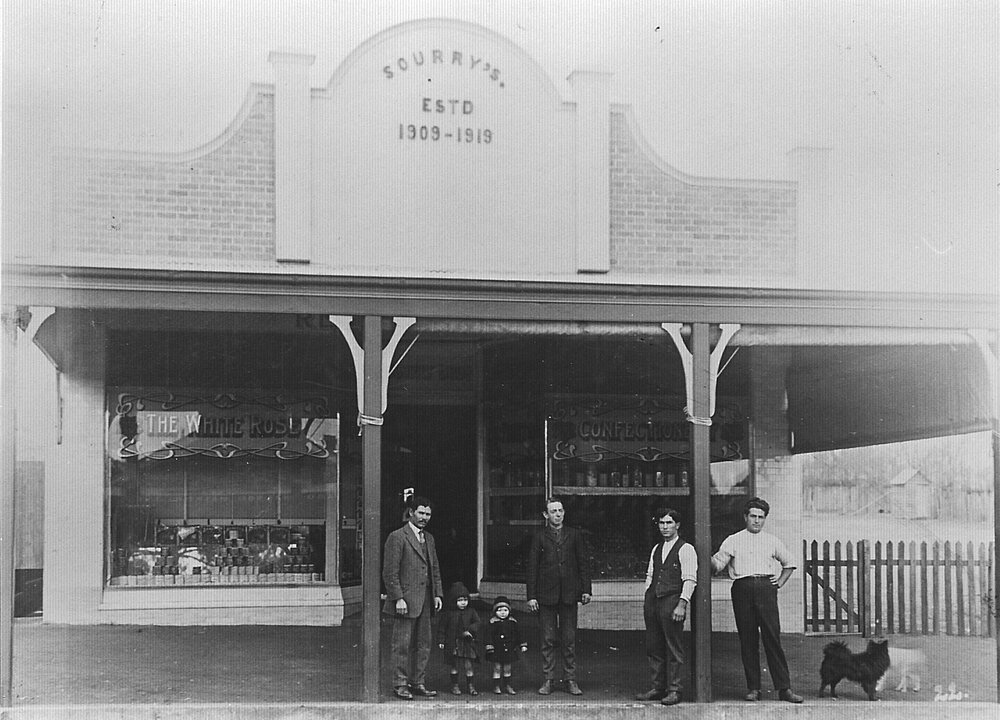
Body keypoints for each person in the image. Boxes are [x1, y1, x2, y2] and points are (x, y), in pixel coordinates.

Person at [711, 497, 804, 704]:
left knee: (772, 638)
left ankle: (784, 689)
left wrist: (779, 582)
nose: (756, 521)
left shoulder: (772, 540)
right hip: (742, 589)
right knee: (748, 640)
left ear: (765, 519)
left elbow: (790, 563)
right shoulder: (733, 539)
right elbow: (717, 564)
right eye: (753, 516)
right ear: (745, 517)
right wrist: (705, 555)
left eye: (761, 517)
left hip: (765, 589)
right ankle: (753, 688)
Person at [526, 497, 592, 695]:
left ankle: (570, 679)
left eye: (560, 510)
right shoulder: (539, 537)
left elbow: (583, 563)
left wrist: (586, 589)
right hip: (546, 596)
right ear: (546, 515)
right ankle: (548, 679)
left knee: (569, 639)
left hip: (569, 595)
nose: (558, 514)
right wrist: (531, 596)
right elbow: (532, 567)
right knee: (547, 638)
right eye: (553, 511)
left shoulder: (574, 535)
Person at [381, 494, 444, 700]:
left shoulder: (430, 538)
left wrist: (437, 594)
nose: (425, 517)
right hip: (405, 601)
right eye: (421, 513)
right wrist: (397, 597)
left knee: (424, 644)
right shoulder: (397, 537)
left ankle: (418, 682)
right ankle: (400, 684)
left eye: (428, 514)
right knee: (402, 644)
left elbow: (434, 568)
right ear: (411, 513)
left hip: (426, 600)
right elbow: (390, 572)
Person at [635, 507, 697, 706]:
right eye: (661, 523)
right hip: (654, 601)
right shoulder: (657, 548)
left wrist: (682, 604)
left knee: (673, 647)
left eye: (669, 523)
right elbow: (650, 575)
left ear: (677, 525)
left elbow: (690, 579)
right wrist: (648, 596)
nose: (664, 527)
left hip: (672, 601)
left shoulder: (686, 549)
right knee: (654, 646)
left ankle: (675, 690)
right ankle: (657, 687)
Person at [436, 581, 481, 696]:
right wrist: (441, 640)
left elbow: (478, 622)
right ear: (454, 601)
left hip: (467, 643)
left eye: (465, 600)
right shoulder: (449, 614)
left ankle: (470, 685)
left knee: (468, 665)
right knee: (454, 665)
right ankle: (455, 685)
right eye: (460, 600)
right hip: (453, 642)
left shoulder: (471, 611)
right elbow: (442, 628)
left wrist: (470, 629)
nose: (463, 603)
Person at [483, 595, 528, 695]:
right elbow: (488, 636)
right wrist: (489, 646)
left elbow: (519, 634)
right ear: (495, 611)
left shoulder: (513, 622)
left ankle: (508, 685)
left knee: (508, 667)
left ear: (509, 611)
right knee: (497, 667)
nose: (502, 613)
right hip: (497, 649)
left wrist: (522, 644)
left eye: (505, 610)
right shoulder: (492, 622)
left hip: (509, 649)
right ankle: (496, 686)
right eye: (499, 610)